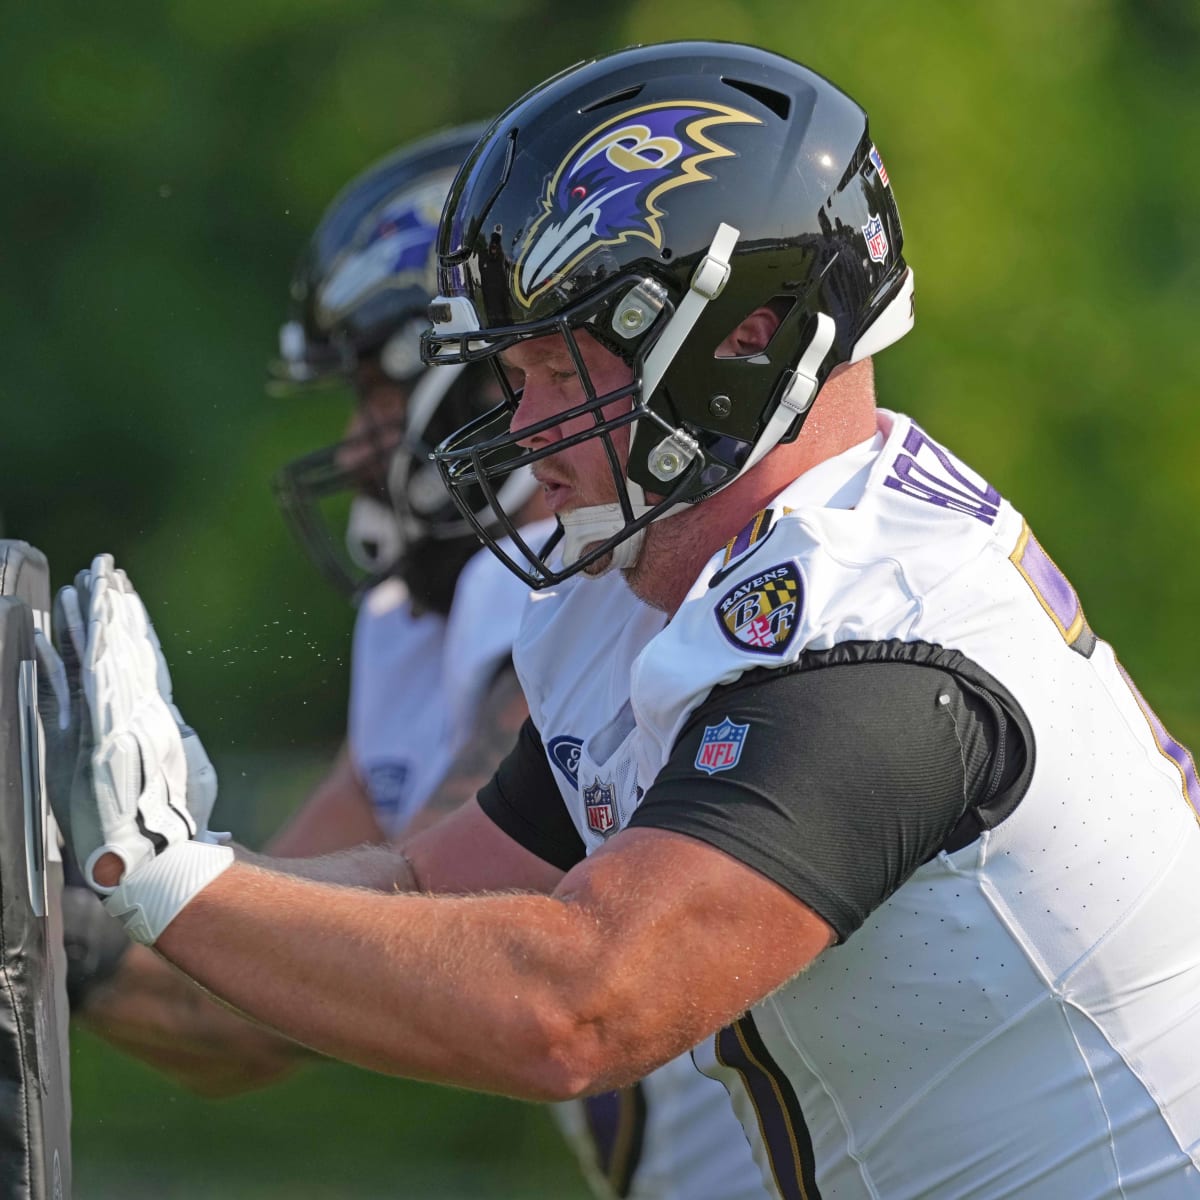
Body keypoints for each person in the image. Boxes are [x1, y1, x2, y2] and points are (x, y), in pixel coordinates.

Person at [41, 41, 1200, 1200]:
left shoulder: (879, 635)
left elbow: (577, 1010)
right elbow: (420, 897)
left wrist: (159, 876)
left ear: (745, 339)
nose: (521, 425)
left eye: (557, 367)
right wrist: (174, 864)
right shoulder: (668, 591)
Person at [60, 122, 761, 1200]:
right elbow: (239, 1005)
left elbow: (428, 941)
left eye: (379, 398)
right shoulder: (415, 619)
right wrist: (65, 907)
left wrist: (96, 884)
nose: (353, 446)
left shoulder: (575, 580)